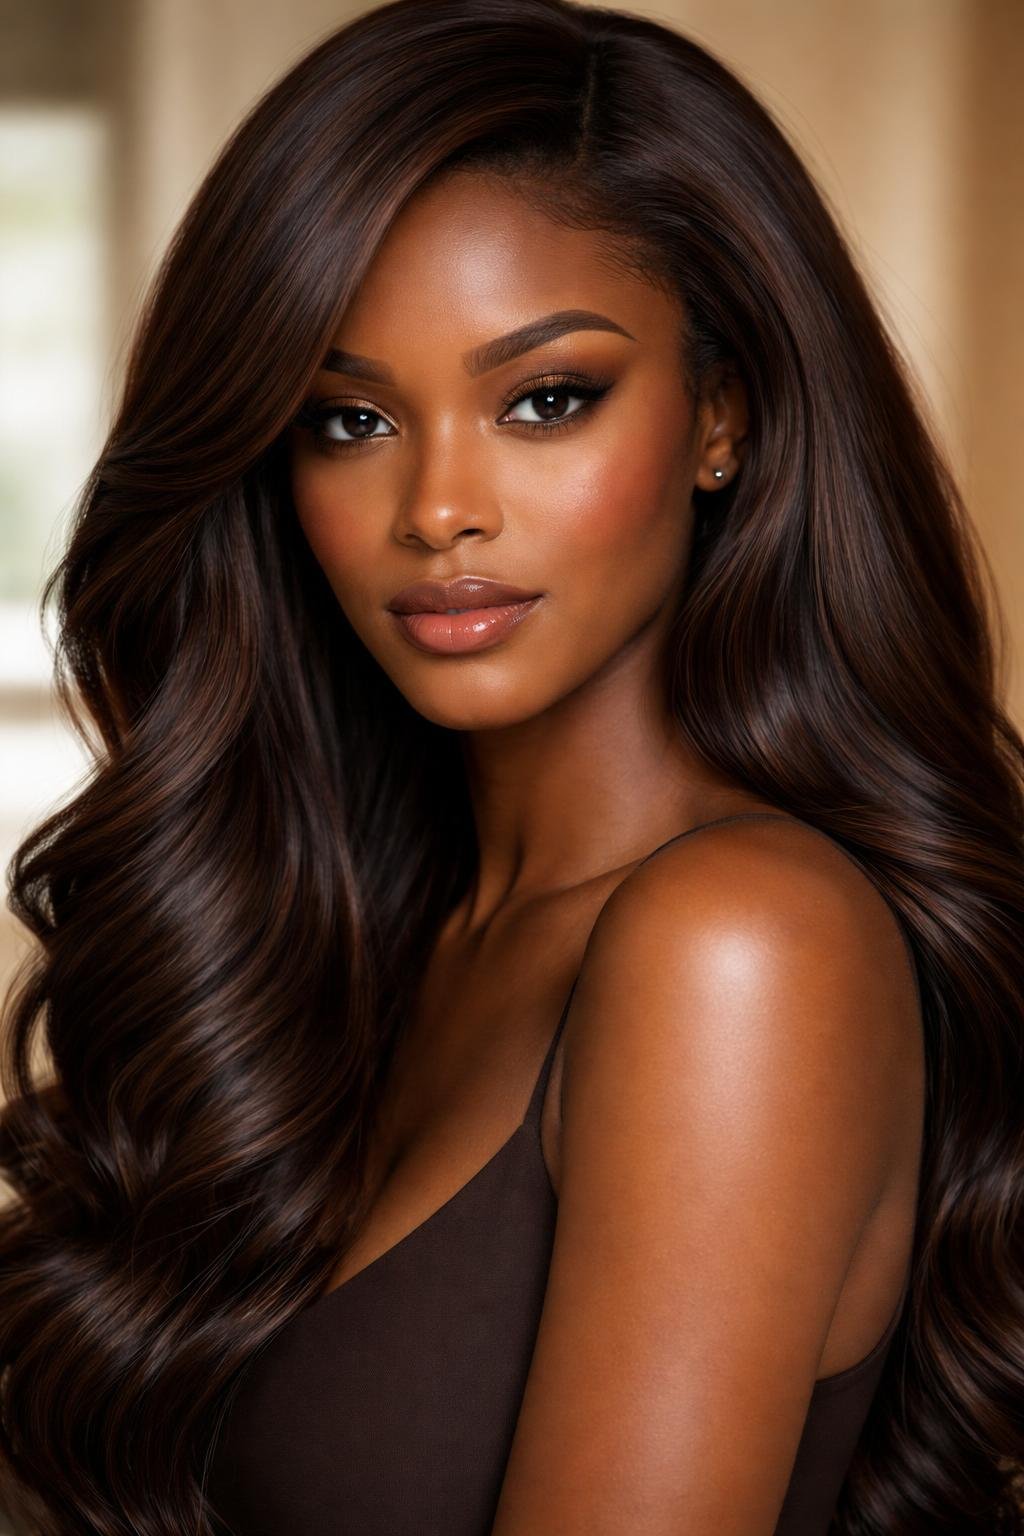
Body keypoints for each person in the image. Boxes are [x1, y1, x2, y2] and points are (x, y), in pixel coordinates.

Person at [1, 1, 1022, 1533]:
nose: (438, 510)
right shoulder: (355, 928)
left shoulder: (737, 946)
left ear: (721, 417)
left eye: (546, 399)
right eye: (347, 419)